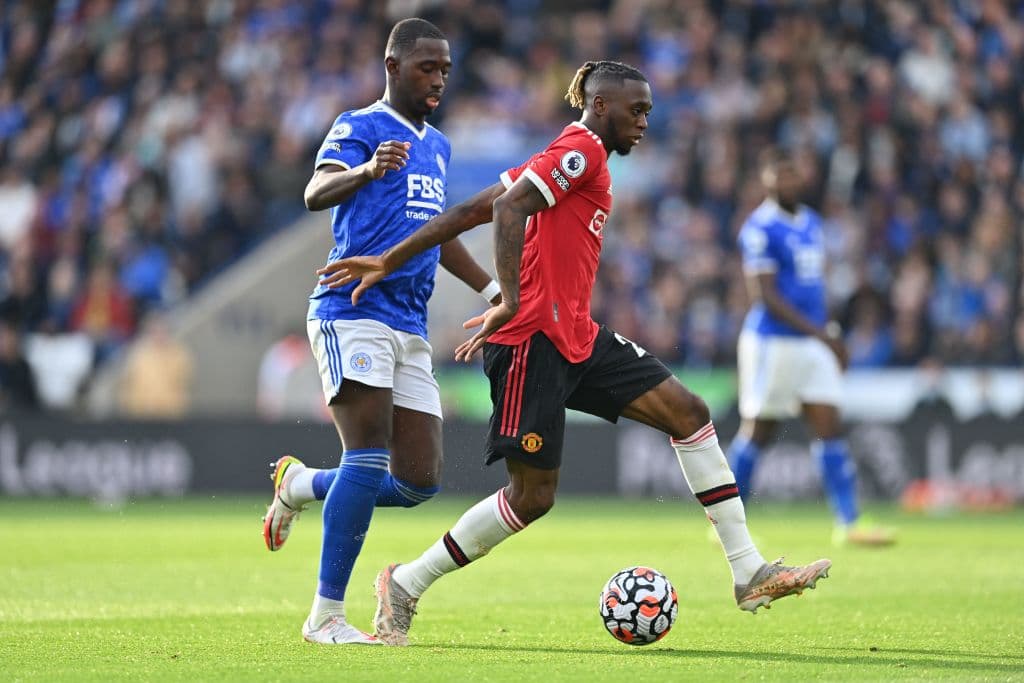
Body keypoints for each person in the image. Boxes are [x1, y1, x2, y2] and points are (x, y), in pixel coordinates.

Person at [319, 61, 831, 646]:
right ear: (601, 105)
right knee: (532, 498)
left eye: (648, 112)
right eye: (635, 111)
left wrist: (391, 256)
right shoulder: (580, 149)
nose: (643, 122)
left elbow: (470, 211)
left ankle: (748, 571)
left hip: (575, 335)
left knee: (689, 414)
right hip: (530, 344)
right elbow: (510, 211)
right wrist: (508, 299)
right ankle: (406, 583)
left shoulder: (565, 158)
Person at [261, 18, 501, 646]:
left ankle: (300, 485)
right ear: (392, 65)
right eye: (427, 67)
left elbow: (435, 234)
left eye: (445, 69)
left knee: (418, 481)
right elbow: (315, 192)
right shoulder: (359, 126)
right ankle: (325, 617)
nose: (439, 79)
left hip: (409, 321)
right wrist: (366, 171)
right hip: (352, 307)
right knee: (365, 456)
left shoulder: (438, 145)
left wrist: (492, 290)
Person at [727, 148, 894, 546]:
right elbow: (765, 297)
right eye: (778, 175)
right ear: (765, 180)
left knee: (830, 427)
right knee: (759, 432)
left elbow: (814, 288)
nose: (786, 181)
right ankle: (726, 522)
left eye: (791, 174)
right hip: (773, 342)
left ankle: (849, 523)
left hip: (812, 341)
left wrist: (828, 331)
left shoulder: (812, 223)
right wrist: (823, 336)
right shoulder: (760, 228)